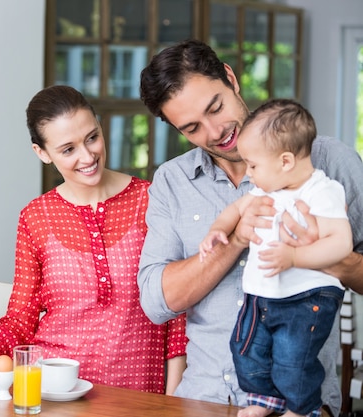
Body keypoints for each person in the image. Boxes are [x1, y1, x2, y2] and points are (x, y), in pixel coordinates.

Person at [137, 39, 363, 416]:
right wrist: (237, 238)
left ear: (230, 77)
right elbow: (158, 302)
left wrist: (322, 257)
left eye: (216, 107)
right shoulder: (172, 181)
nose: (215, 131)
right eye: (192, 127)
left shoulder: (328, 160)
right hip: (203, 399)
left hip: (303, 404)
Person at [0, 85, 187, 394]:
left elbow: (176, 310)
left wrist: (173, 401)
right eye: (68, 149)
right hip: (53, 394)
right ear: (42, 153)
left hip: (139, 396)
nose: (87, 156)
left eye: (92, 138)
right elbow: (20, 319)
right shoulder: (35, 217)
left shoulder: (151, 200)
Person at [198, 99, 351, 417]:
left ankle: (302, 408)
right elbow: (235, 210)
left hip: (307, 297)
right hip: (262, 294)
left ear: (284, 161)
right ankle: (267, 401)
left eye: (253, 165)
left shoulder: (322, 192)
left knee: (292, 360)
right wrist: (217, 230)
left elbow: (341, 244)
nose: (249, 174)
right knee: (246, 351)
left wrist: (295, 256)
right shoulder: (267, 189)